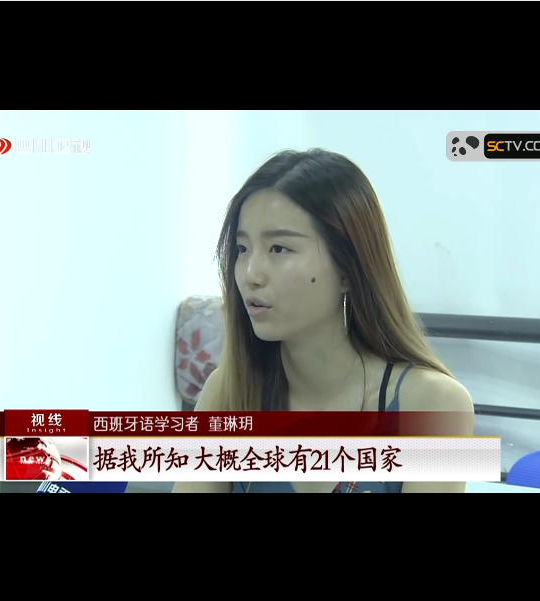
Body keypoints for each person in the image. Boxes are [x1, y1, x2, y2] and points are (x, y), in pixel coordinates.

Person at [172, 148, 474, 494]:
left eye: (278, 249)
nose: (250, 274)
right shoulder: (227, 393)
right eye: (242, 250)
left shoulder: (434, 404)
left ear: (347, 269)